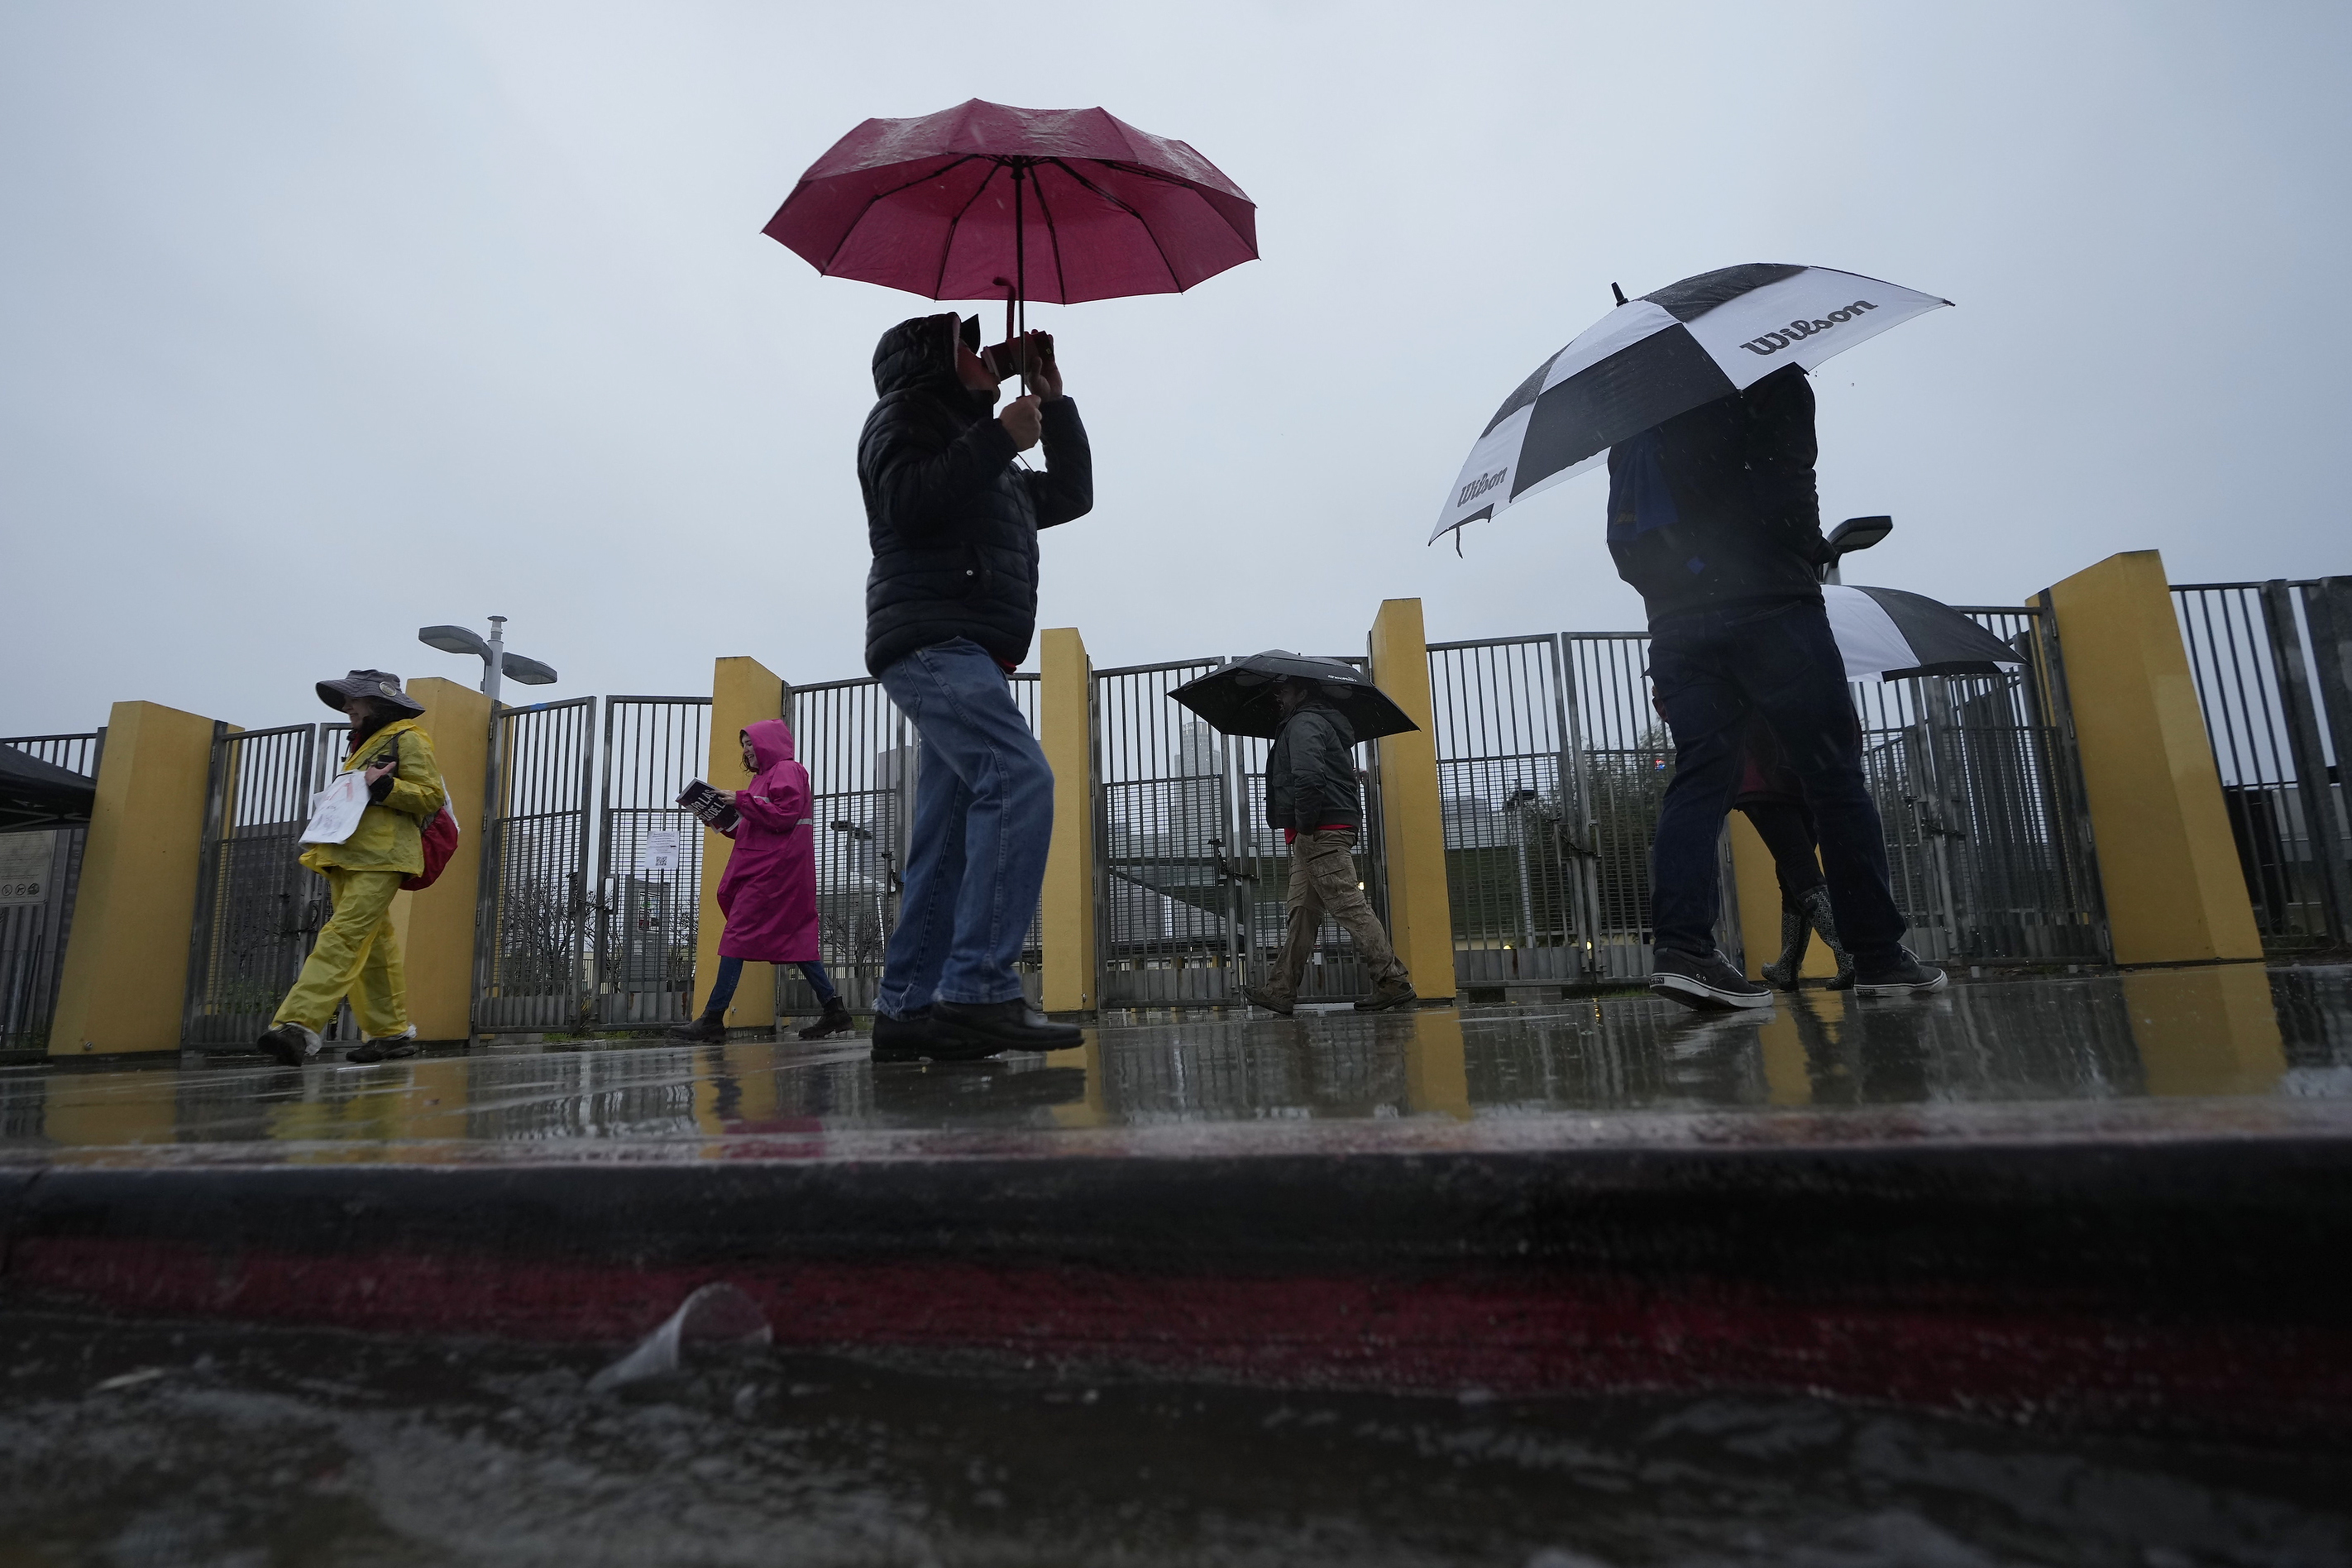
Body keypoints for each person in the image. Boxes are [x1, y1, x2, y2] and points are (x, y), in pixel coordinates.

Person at [1607, 362, 1944, 1008]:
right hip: (1772, 607)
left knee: (1701, 774)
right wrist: (1810, 552)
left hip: (1678, 624)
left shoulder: (1638, 419)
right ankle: (1876, 954)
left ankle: (1684, 949)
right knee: (1833, 779)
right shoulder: (1770, 379)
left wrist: (1683, 588)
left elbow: (1626, 544)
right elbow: (1790, 493)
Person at [858, 313, 1092, 1061]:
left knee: (948, 837)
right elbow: (909, 504)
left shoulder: (989, 456)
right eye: (970, 345)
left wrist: (1050, 404)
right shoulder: (903, 417)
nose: (988, 356)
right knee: (1018, 776)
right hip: (933, 644)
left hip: (972, 656)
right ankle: (978, 991)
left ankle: (907, 1010)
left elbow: (1074, 495)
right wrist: (1000, 437)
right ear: (934, 361)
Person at [256, 670, 447, 1066]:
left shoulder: (408, 737)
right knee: (373, 946)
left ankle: (297, 1025)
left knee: (342, 937)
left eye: (352, 700)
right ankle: (390, 1034)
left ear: (377, 702)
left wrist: (384, 788)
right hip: (350, 855)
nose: (346, 707)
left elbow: (430, 795)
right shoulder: (365, 744)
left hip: (382, 857)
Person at [671, 719, 853, 1045]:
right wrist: (716, 815)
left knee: (738, 934)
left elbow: (783, 813)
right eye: (743, 745)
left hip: (773, 872)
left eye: (751, 743)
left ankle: (713, 1018)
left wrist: (739, 800)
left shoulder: (787, 769)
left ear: (768, 743)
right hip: (772, 869)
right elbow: (752, 826)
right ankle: (834, 1010)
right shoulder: (762, 780)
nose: (746, 750)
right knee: (793, 938)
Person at [1243, 677, 1416, 1016]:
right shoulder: (1315, 723)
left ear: (1303, 692)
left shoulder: (1305, 722)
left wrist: (1305, 824)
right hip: (1318, 830)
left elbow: (1308, 776)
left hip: (1320, 829)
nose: (1279, 696)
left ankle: (1393, 980)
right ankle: (1280, 990)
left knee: (1348, 905)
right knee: (1302, 914)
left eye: (1285, 690)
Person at [1735, 715, 1854, 989]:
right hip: (1803, 772)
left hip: (1764, 773)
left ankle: (1850, 954)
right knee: (1794, 870)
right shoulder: (1802, 676)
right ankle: (1788, 966)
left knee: (1798, 868)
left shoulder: (1742, 676)